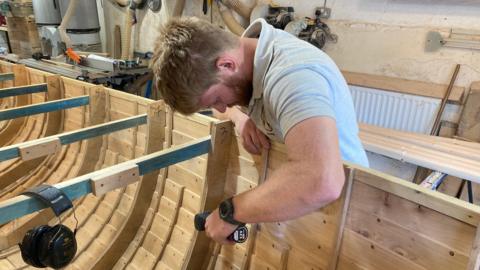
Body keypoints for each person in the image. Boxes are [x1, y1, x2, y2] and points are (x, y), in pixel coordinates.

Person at [151, 17, 369, 245]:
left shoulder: (292, 76)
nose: (221, 107)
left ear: (226, 65)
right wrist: (239, 116)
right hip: (303, 202)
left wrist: (230, 212)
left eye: (216, 99)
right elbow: (223, 110)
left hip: (346, 213)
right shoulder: (245, 57)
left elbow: (322, 180)